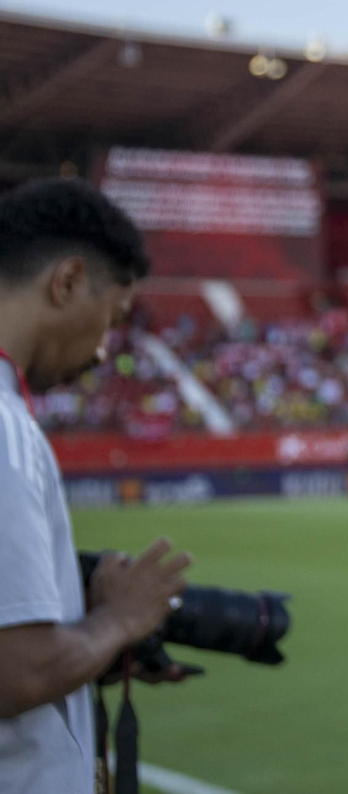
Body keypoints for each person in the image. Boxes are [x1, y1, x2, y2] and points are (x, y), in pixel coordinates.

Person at [0, 178, 193, 794]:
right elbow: (17, 672)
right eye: (112, 318)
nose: (106, 348)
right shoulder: (4, 425)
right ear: (66, 282)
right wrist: (119, 620)